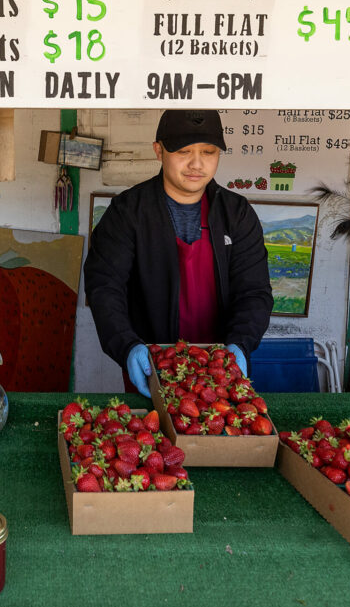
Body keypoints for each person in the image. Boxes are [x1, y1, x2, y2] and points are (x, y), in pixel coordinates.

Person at [84, 110, 273, 396]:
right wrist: (127, 345)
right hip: (153, 363)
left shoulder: (237, 214)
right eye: (184, 151)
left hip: (219, 369)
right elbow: (104, 287)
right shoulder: (127, 213)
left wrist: (240, 344)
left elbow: (254, 291)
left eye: (208, 152)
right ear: (159, 151)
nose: (197, 163)